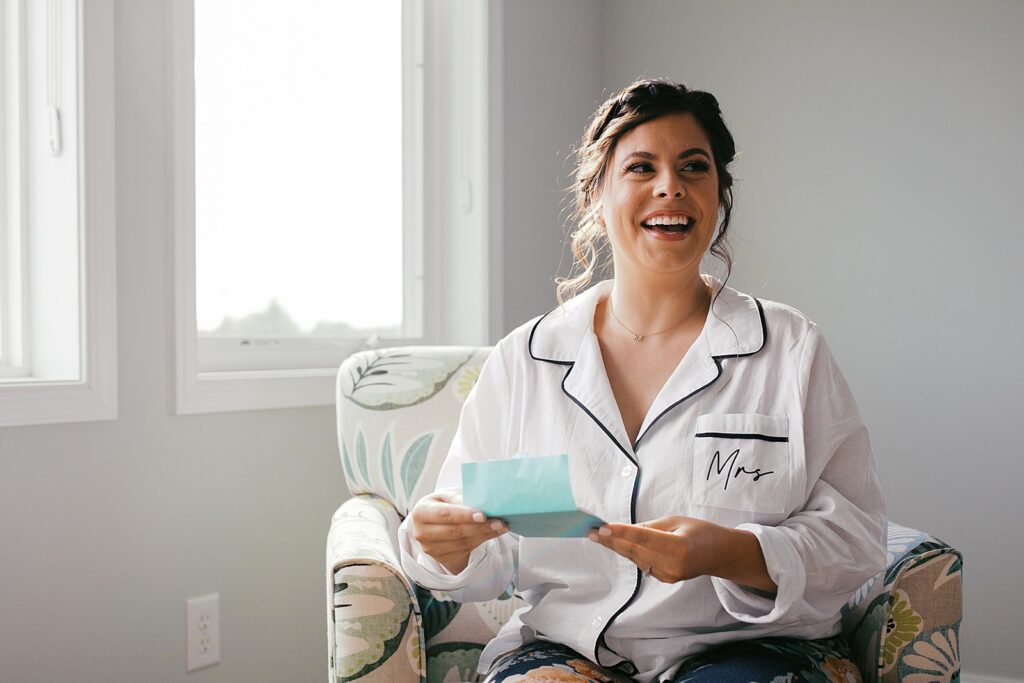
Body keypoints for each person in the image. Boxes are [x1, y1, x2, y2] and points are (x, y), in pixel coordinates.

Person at [398, 78, 887, 683]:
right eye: (640, 167)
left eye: (693, 167)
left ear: (718, 195)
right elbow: (490, 545)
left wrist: (731, 552)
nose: (669, 187)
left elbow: (856, 535)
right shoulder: (523, 361)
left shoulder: (791, 349)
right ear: (596, 197)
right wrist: (445, 541)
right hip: (568, 649)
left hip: (756, 651)